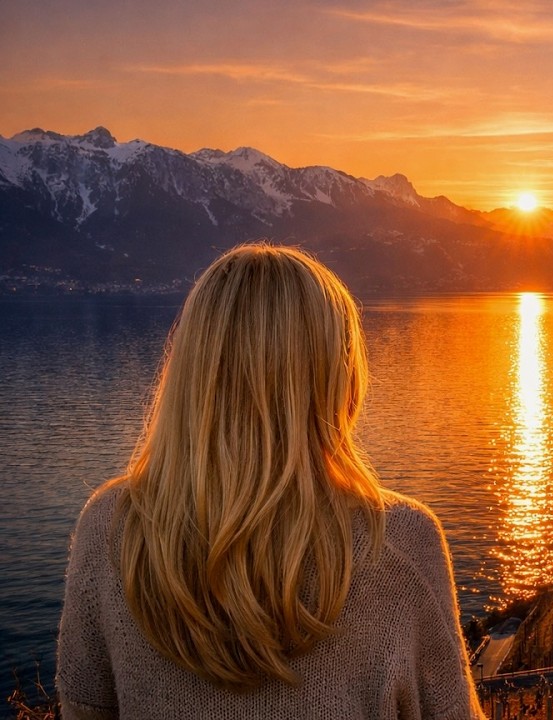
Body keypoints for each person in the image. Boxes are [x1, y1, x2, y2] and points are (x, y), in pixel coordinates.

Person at [56, 244, 487, 719]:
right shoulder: (399, 542)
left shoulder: (110, 531)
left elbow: (83, 709)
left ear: (192, 370)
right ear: (336, 377)